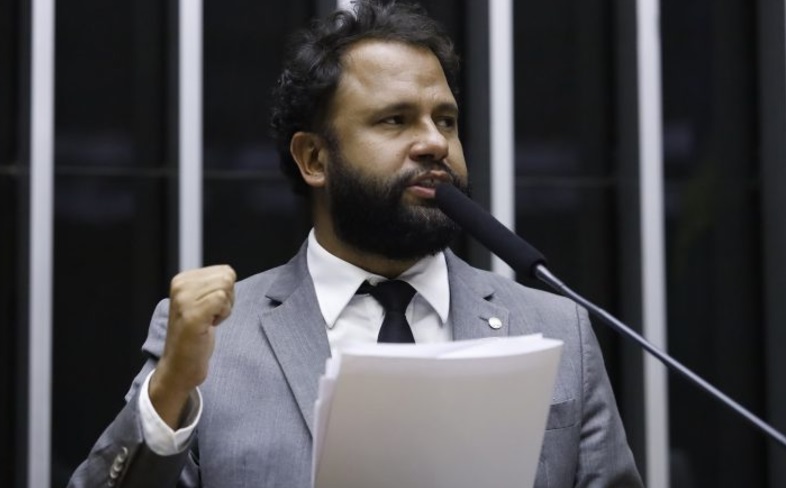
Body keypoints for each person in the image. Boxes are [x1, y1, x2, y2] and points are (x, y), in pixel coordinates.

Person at [68, 1, 643, 487]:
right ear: (314, 158)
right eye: (394, 121)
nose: (433, 144)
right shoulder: (211, 341)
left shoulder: (556, 327)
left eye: (445, 120)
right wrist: (171, 390)